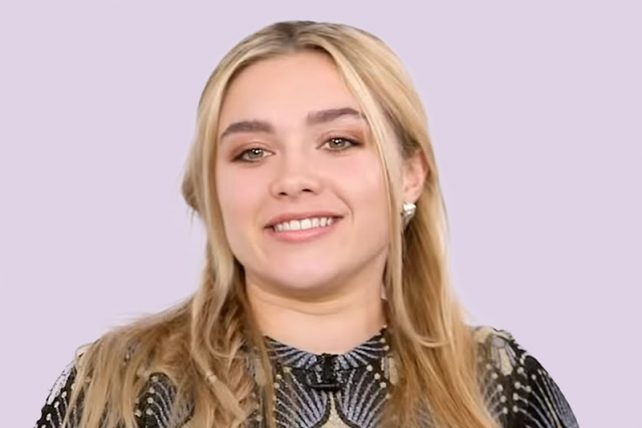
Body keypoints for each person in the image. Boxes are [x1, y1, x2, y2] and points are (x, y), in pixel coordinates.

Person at [35, 20, 578, 428]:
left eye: (338, 141)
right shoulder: (119, 386)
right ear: (212, 188)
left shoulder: (500, 384)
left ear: (410, 176)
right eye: (252, 152)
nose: (293, 179)